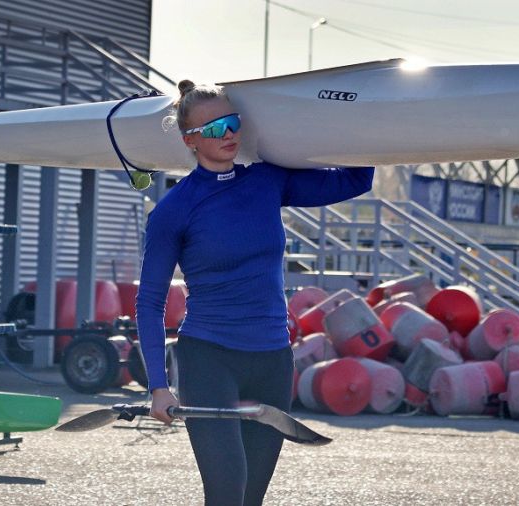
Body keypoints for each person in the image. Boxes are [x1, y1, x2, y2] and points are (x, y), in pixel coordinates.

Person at [135, 80, 374, 506]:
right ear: (190, 140)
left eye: (232, 122)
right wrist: (158, 386)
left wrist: (352, 118)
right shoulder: (174, 210)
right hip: (209, 359)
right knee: (227, 492)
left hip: (272, 360)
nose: (227, 134)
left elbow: (357, 179)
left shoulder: (266, 181)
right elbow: (150, 302)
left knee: (252, 498)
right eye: (212, 129)